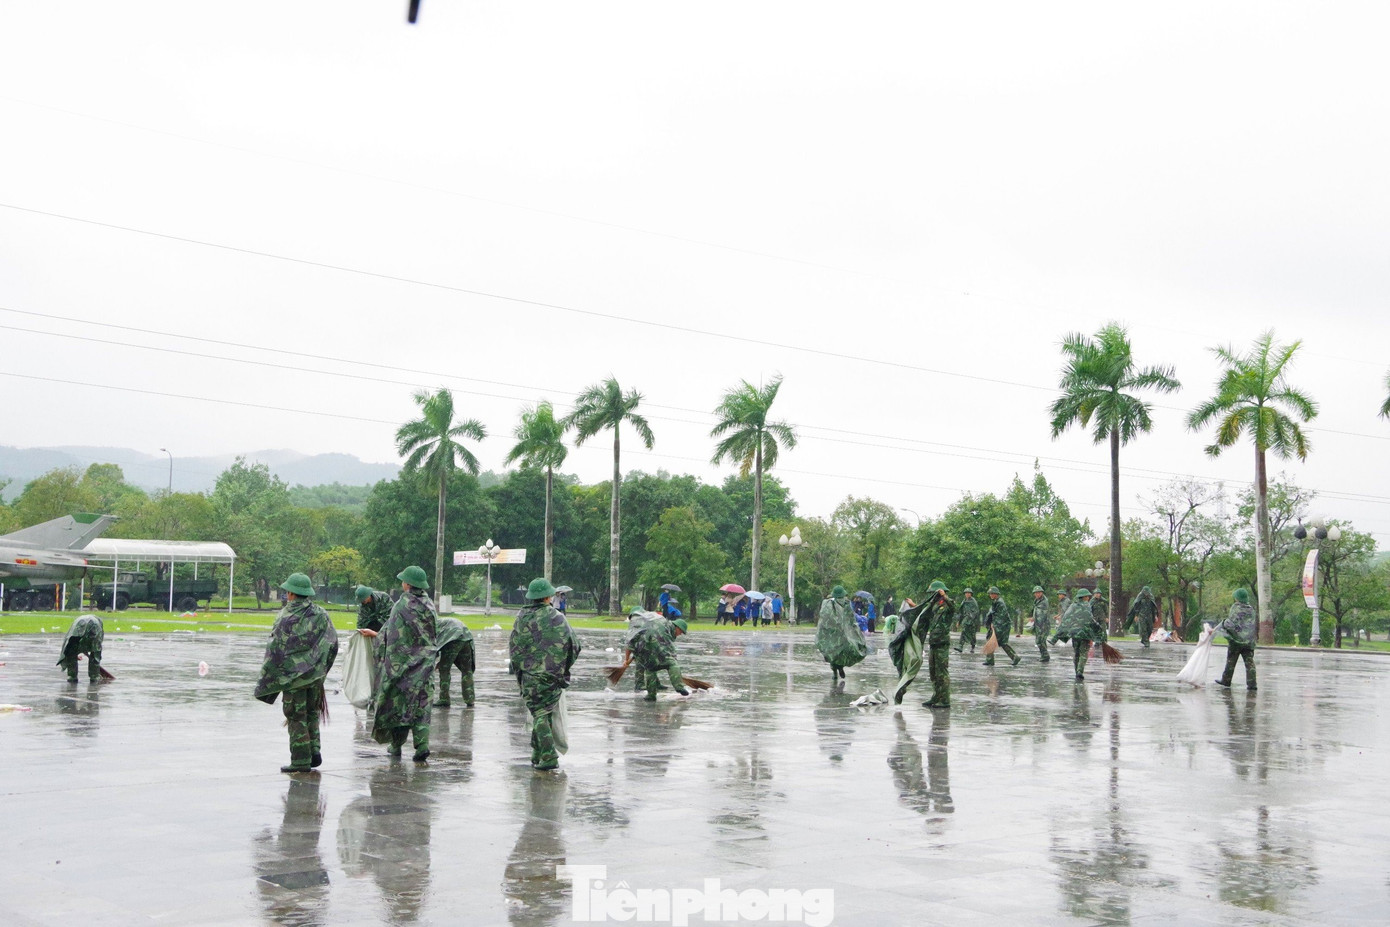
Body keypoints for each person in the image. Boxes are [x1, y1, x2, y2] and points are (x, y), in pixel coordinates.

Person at [255, 573, 338, 773]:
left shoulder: (285, 616)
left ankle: (301, 760)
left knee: (295, 716)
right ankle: (314, 750)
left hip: (293, 679)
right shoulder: (321, 613)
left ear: (291, 593)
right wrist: (321, 670)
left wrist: (268, 680)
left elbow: (275, 649)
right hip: (315, 678)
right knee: (312, 713)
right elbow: (333, 643)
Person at [508, 578, 582, 770]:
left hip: (530, 676)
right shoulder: (558, 617)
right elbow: (574, 646)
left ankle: (548, 756)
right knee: (544, 712)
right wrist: (563, 668)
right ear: (548, 597)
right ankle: (539, 752)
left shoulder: (521, 617)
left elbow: (514, 648)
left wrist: (520, 672)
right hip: (553, 675)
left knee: (539, 713)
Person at [372, 566, 438, 762]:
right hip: (426, 664)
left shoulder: (401, 606)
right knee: (422, 705)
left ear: (407, 584)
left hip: (404, 666)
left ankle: (396, 745)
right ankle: (422, 745)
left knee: (398, 705)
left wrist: (386, 665)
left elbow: (391, 637)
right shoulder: (430, 605)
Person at [889, 583, 953, 706]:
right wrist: (913, 605)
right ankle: (936, 697)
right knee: (933, 673)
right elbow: (923, 612)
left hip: (942, 643)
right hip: (934, 643)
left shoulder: (948, 605)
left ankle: (944, 700)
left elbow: (953, 606)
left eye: (934, 593)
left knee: (942, 673)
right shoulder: (935, 606)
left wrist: (944, 596)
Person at [626, 614, 691, 701]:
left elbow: (630, 645)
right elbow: (670, 651)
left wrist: (626, 660)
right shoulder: (667, 629)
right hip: (656, 651)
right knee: (672, 663)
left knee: (650, 669)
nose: (680, 634)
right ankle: (678, 686)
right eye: (681, 632)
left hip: (644, 653)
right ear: (677, 627)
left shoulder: (655, 623)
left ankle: (651, 695)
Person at [816, 585, 867, 682]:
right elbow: (851, 618)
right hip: (843, 634)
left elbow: (823, 617)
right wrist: (854, 630)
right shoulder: (846, 603)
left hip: (831, 633)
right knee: (842, 651)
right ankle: (840, 667)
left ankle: (835, 671)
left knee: (832, 653)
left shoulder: (827, 603)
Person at [1054, 588, 1106, 681]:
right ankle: (1079, 672)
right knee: (1083, 653)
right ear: (1084, 597)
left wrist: (1060, 632)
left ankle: (1076, 671)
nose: (1089, 598)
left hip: (1074, 633)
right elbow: (1090, 620)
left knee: (1076, 653)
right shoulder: (1087, 605)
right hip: (1084, 633)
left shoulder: (1073, 606)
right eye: (1087, 596)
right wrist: (1098, 628)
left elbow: (1066, 618)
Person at [1215, 588, 1257, 691]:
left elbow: (1230, 624)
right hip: (1249, 641)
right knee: (1250, 663)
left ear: (1237, 598)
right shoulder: (1251, 609)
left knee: (1231, 661)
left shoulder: (1235, 608)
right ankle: (1252, 684)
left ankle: (1226, 680)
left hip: (1236, 641)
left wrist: (1223, 624)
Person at [433, 616, 475, 708]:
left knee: (444, 669)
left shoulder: (432, 625)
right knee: (467, 670)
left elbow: (434, 645)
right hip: (466, 637)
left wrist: (440, 662)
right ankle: (470, 699)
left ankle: (444, 699)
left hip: (454, 637)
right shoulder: (442, 621)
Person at [57, 613, 105, 683]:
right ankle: (94, 676)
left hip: (78, 626)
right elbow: (97, 646)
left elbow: (69, 642)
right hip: (91, 626)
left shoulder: (79, 620)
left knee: (71, 649)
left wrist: (73, 654)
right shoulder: (97, 624)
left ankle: (72, 676)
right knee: (95, 652)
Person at [982, 586, 1020, 667]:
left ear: (996, 594)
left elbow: (1001, 617)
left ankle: (1014, 657)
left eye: (992, 594)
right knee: (994, 641)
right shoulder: (995, 602)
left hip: (1002, 626)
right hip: (999, 625)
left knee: (999, 642)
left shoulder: (1000, 603)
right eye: (990, 594)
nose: (991, 595)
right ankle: (990, 660)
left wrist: (994, 625)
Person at [954, 588, 981, 653]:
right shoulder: (964, 601)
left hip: (972, 620)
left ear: (971, 594)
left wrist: (971, 619)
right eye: (966, 593)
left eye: (969, 593)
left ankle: (973, 647)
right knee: (963, 631)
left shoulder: (973, 601)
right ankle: (960, 646)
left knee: (972, 634)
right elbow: (961, 612)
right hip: (965, 619)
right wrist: (959, 621)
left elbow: (976, 612)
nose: (967, 594)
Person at [1029, 585, 1051, 663]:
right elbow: (1036, 611)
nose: (1037, 594)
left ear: (1041, 593)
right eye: (1036, 593)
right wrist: (1033, 617)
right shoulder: (1037, 600)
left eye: (1039, 593)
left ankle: (1045, 656)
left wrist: (1034, 619)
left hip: (1043, 624)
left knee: (1040, 640)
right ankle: (1044, 655)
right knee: (1040, 641)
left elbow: (1042, 614)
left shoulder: (1044, 601)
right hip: (1038, 624)